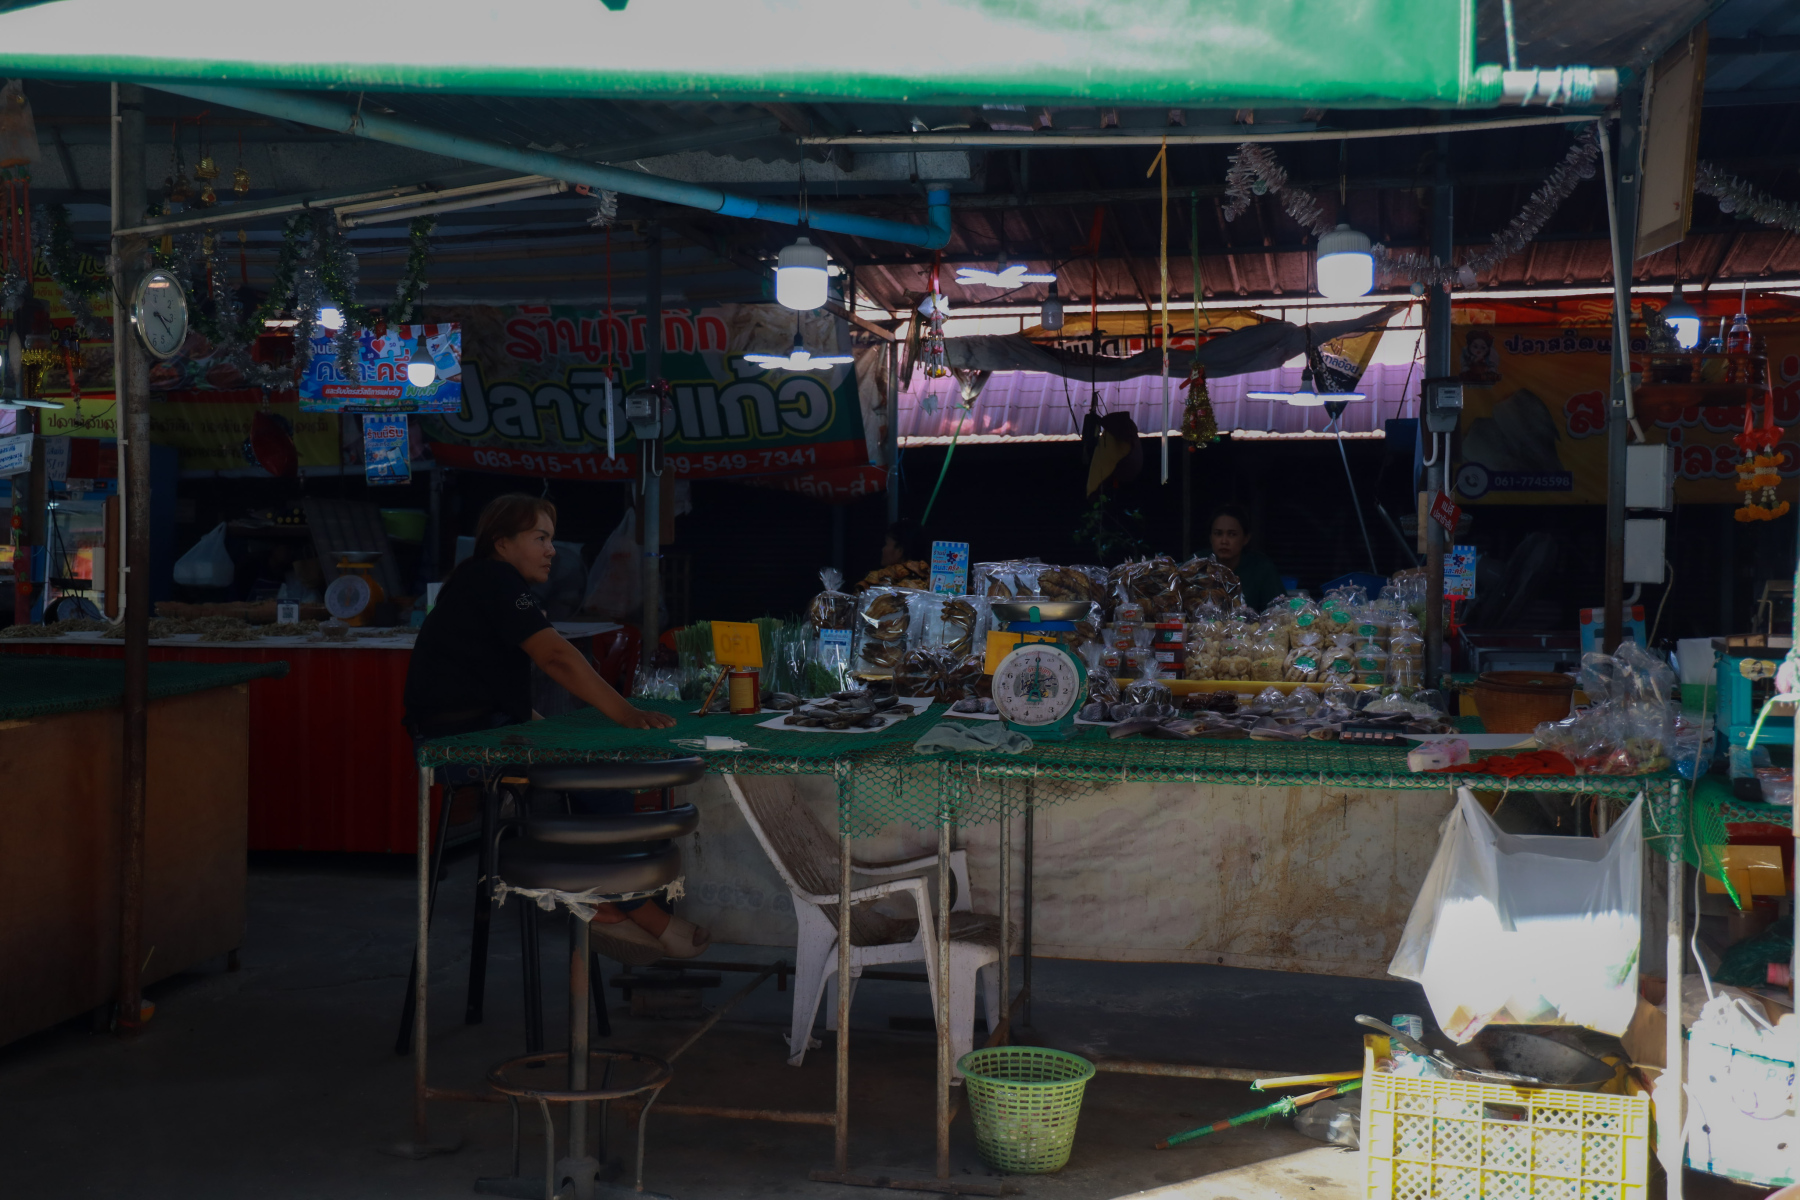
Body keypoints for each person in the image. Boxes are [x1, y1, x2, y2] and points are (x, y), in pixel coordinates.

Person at [403, 494, 704, 960]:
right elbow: (557, 656)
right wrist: (626, 713)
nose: (551, 551)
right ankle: (636, 908)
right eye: (540, 538)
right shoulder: (494, 579)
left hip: (472, 731)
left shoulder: (483, 581)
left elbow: (491, 689)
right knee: (601, 777)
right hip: (459, 745)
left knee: (585, 768)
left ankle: (603, 898)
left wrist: (551, 735)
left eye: (550, 539)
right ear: (502, 543)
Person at [1208, 505, 1285, 611]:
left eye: (1232, 534)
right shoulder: (1197, 565)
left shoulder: (1262, 568)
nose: (1224, 541)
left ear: (1246, 538)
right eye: (1218, 534)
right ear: (1210, 537)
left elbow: (1279, 611)